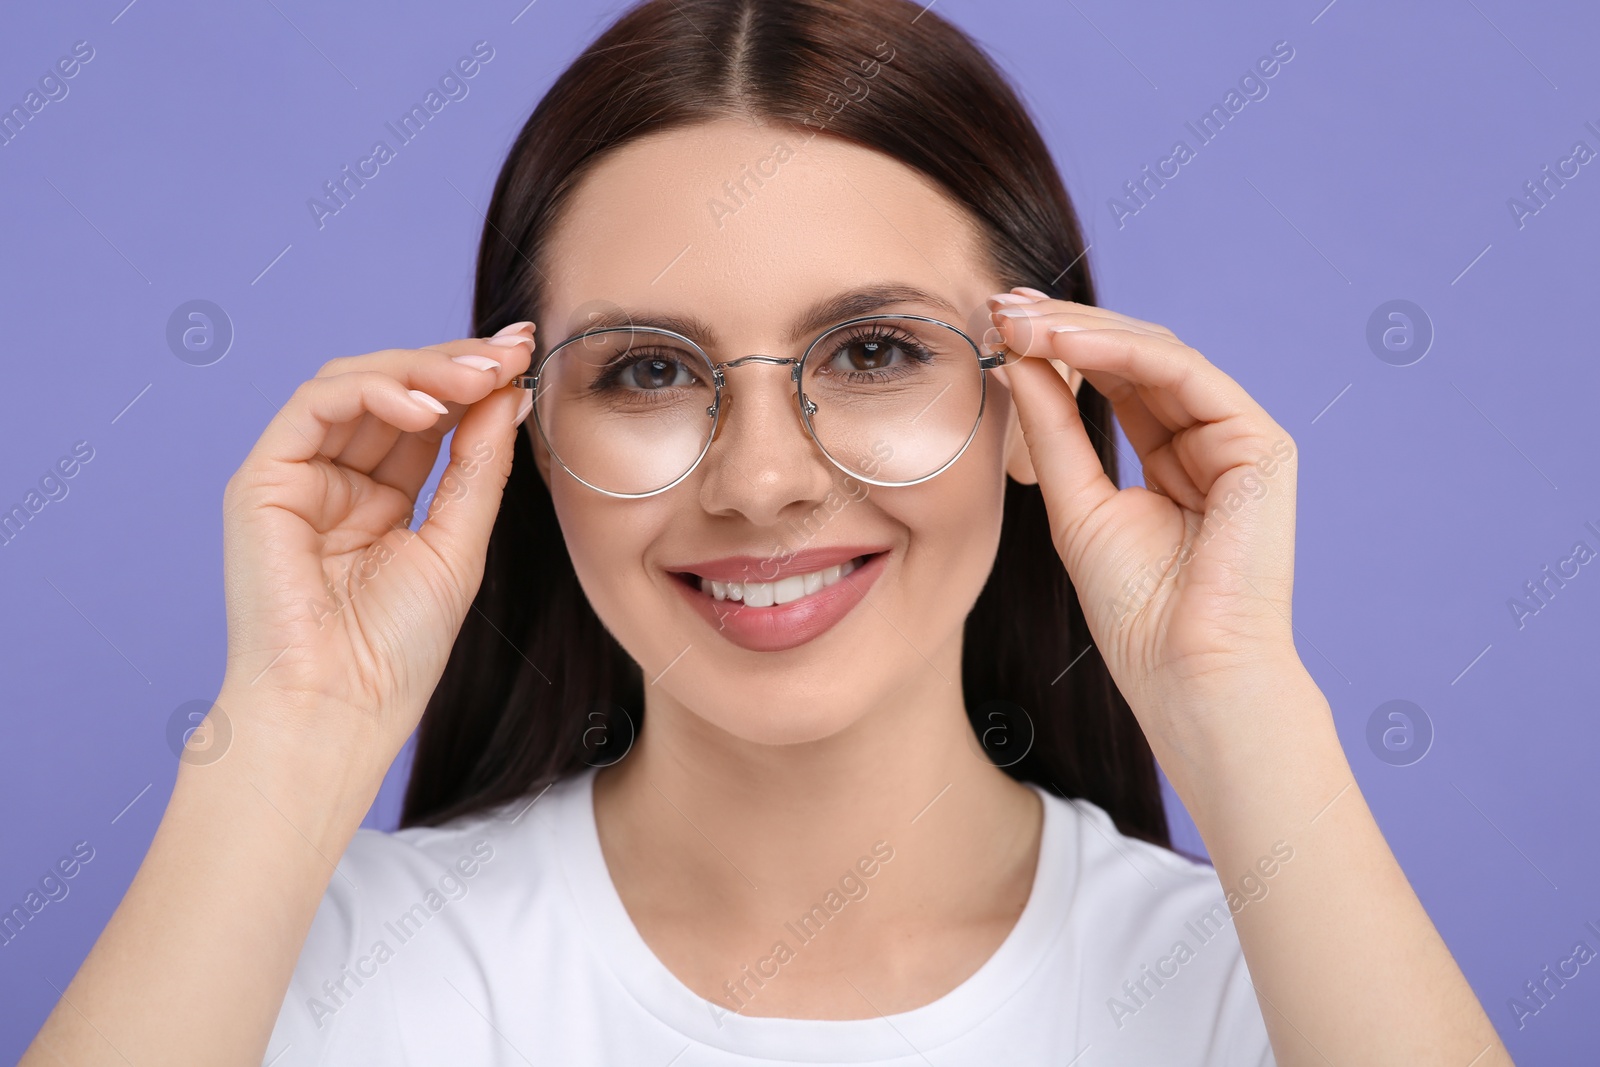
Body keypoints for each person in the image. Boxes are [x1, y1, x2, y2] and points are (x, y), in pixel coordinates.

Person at [22, 0, 1511, 1063]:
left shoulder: (1272, 983)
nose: (760, 482)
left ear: (1031, 406)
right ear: (522, 436)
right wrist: (284, 733)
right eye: (649, 372)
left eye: (873, 353)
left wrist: (1245, 702)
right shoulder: (301, 966)